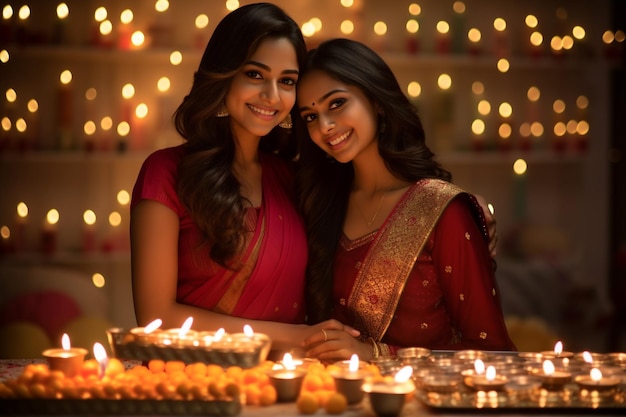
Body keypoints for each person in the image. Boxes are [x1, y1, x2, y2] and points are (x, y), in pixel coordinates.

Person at [130, 3, 356, 352]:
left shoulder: (291, 178)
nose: (272, 96)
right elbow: (154, 319)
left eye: (287, 81)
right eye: (255, 75)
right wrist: (296, 336)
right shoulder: (166, 173)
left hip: (285, 384)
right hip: (191, 386)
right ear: (224, 74)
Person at [295, 38, 516, 362]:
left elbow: (495, 352)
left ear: (377, 101)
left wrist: (375, 354)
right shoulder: (321, 203)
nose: (325, 126)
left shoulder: (442, 211)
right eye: (310, 117)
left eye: (337, 103)